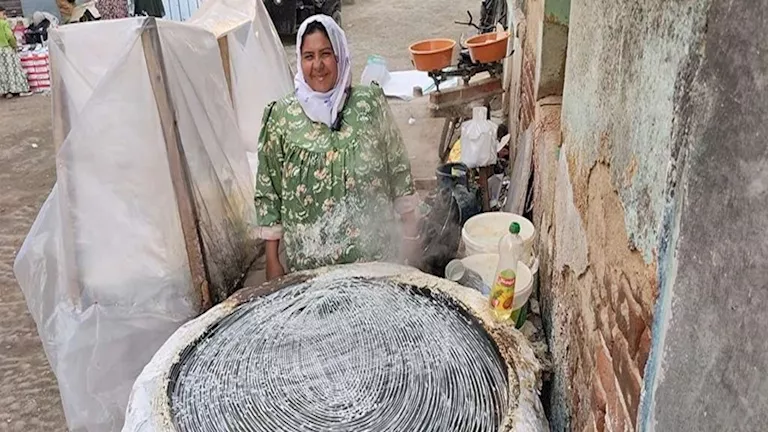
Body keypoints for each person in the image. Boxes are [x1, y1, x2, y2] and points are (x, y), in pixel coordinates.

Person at [254, 15, 420, 280]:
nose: (318, 65)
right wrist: (272, 259)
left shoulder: (369, 104)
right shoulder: (281, 117)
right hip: (310, 269)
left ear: (339, 56)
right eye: (308, 56)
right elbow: (269, 190)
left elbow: (398, 167)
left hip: (375, 262)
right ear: (300, 61)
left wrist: (410, 233)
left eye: (325, 54)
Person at [0, 7, 29, 99]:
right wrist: (14, 46)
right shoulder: (4, 23)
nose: (5, 16)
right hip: (6, 50)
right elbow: (10, 36)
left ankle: (6, 91)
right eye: (3, 14)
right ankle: (15, 89)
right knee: (12, 70)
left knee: (2, 72)